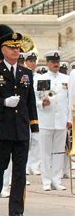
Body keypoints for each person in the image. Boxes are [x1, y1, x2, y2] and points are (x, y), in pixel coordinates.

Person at [0, 31, 39, 216]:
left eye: (17, 47)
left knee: (19, 171)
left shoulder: (26, 73)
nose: (16, 51)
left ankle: (16, 211)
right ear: (3, 49)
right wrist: (3, 102)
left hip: (21, 129)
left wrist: (34, 128)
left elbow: (31, 103)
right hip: (2, 129)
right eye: (12, 47)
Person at [35, 51, 69, 191]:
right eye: (52, 61)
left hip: (61, 120)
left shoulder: (66, 79)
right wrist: (42, 103)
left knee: (59, 152)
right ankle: (46, 181)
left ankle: (56, 179)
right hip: (46, 120)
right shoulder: (40, 79)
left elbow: (69, 101)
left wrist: (69, 119)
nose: (56, 64)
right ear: (47, 63)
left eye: (57, 61)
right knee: (45, 152)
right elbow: (34, 99)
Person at [23, 51, 41, 176]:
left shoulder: (40, 77)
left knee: (36, 141)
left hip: (40, 113)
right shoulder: (23, 76)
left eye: (34, 61)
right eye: (30, 61)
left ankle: (34, 165)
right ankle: (25, 165)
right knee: (26, 141)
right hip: (27, 111)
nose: (33, 63)